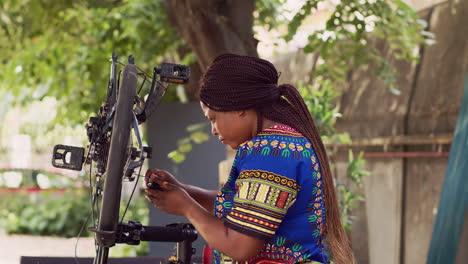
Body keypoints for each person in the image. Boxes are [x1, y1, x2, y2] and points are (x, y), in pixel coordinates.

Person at [145, 53, 355, 264]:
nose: (213, 131)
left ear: (239, 107)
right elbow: (247, 207)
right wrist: (184, 192)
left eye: (214, 119)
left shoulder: (271, 154)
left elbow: (240, 247)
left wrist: (186, 207)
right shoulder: (280, 146)